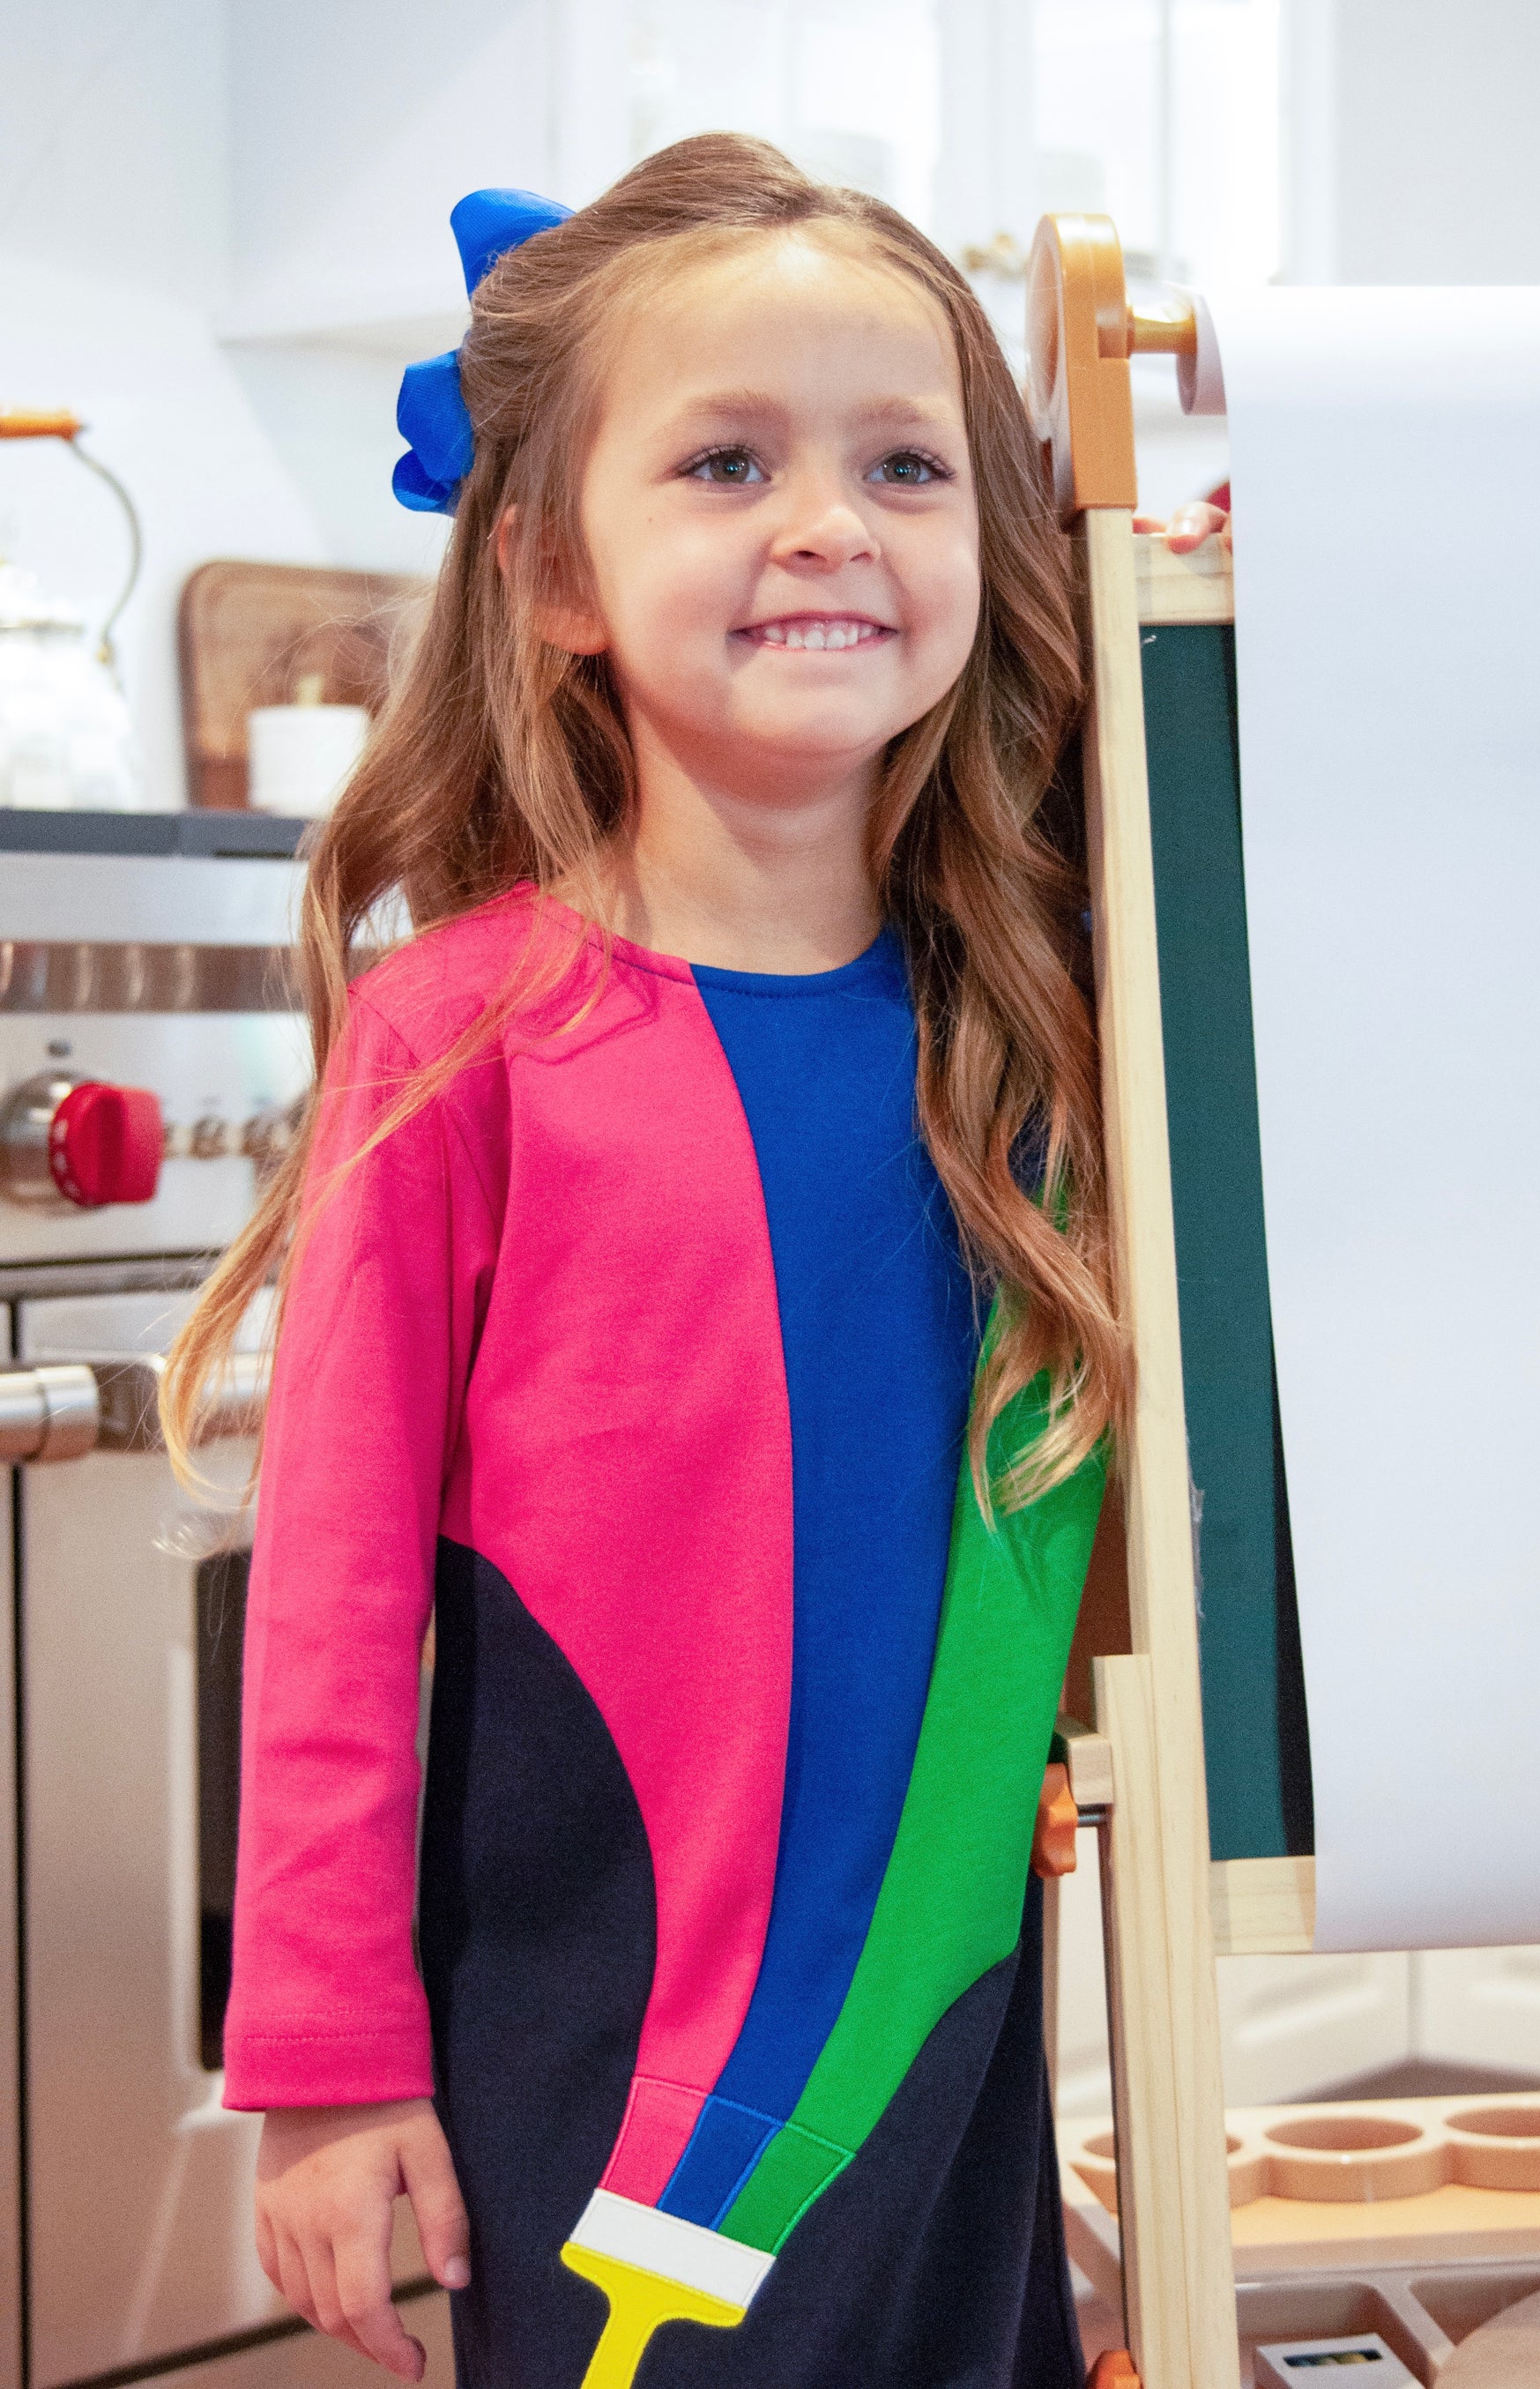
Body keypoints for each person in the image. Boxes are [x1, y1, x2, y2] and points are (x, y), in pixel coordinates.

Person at [162, 133, 1131, 2389]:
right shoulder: (464, 1035)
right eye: (725, 459)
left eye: (906, 463)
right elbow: (329, 1600)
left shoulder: (1055, 1027)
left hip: (957, 2029)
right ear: (554, 576)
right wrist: (326, 2053)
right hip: (610, 2040)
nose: (829, 522)